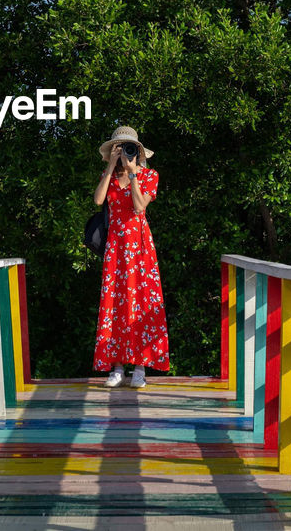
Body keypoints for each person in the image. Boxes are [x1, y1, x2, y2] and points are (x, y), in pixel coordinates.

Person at [92, 126, 171, 388]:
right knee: (115, 303)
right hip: (116, 248)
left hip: (140, 249)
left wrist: (134, 175)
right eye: (121, 148)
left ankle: (140, 367)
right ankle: (116, 367)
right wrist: (112, 165)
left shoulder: (149, 175)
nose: (126, 153)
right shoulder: (111, 178)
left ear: (138, 152)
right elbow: (98, 200)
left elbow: (139, 207)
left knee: (142, 303)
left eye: (130, 148)